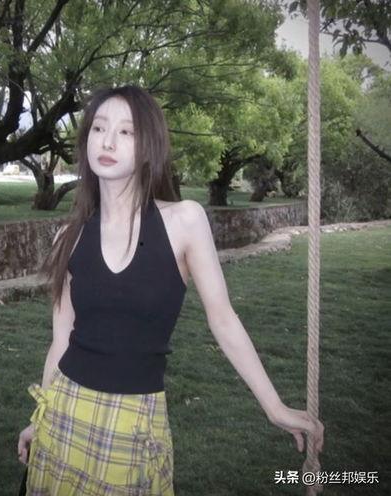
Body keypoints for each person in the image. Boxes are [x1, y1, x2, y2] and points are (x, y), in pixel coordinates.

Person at [17, 85, 324, 495]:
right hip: (63, 417)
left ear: (149, 146)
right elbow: (61, 341)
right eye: (99, 128)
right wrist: (36, 420)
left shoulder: (184, 221)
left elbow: (223, 319)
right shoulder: (67, 238)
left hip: (133, 424)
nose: (108, 142)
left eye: (126, 132)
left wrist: (275, 406)